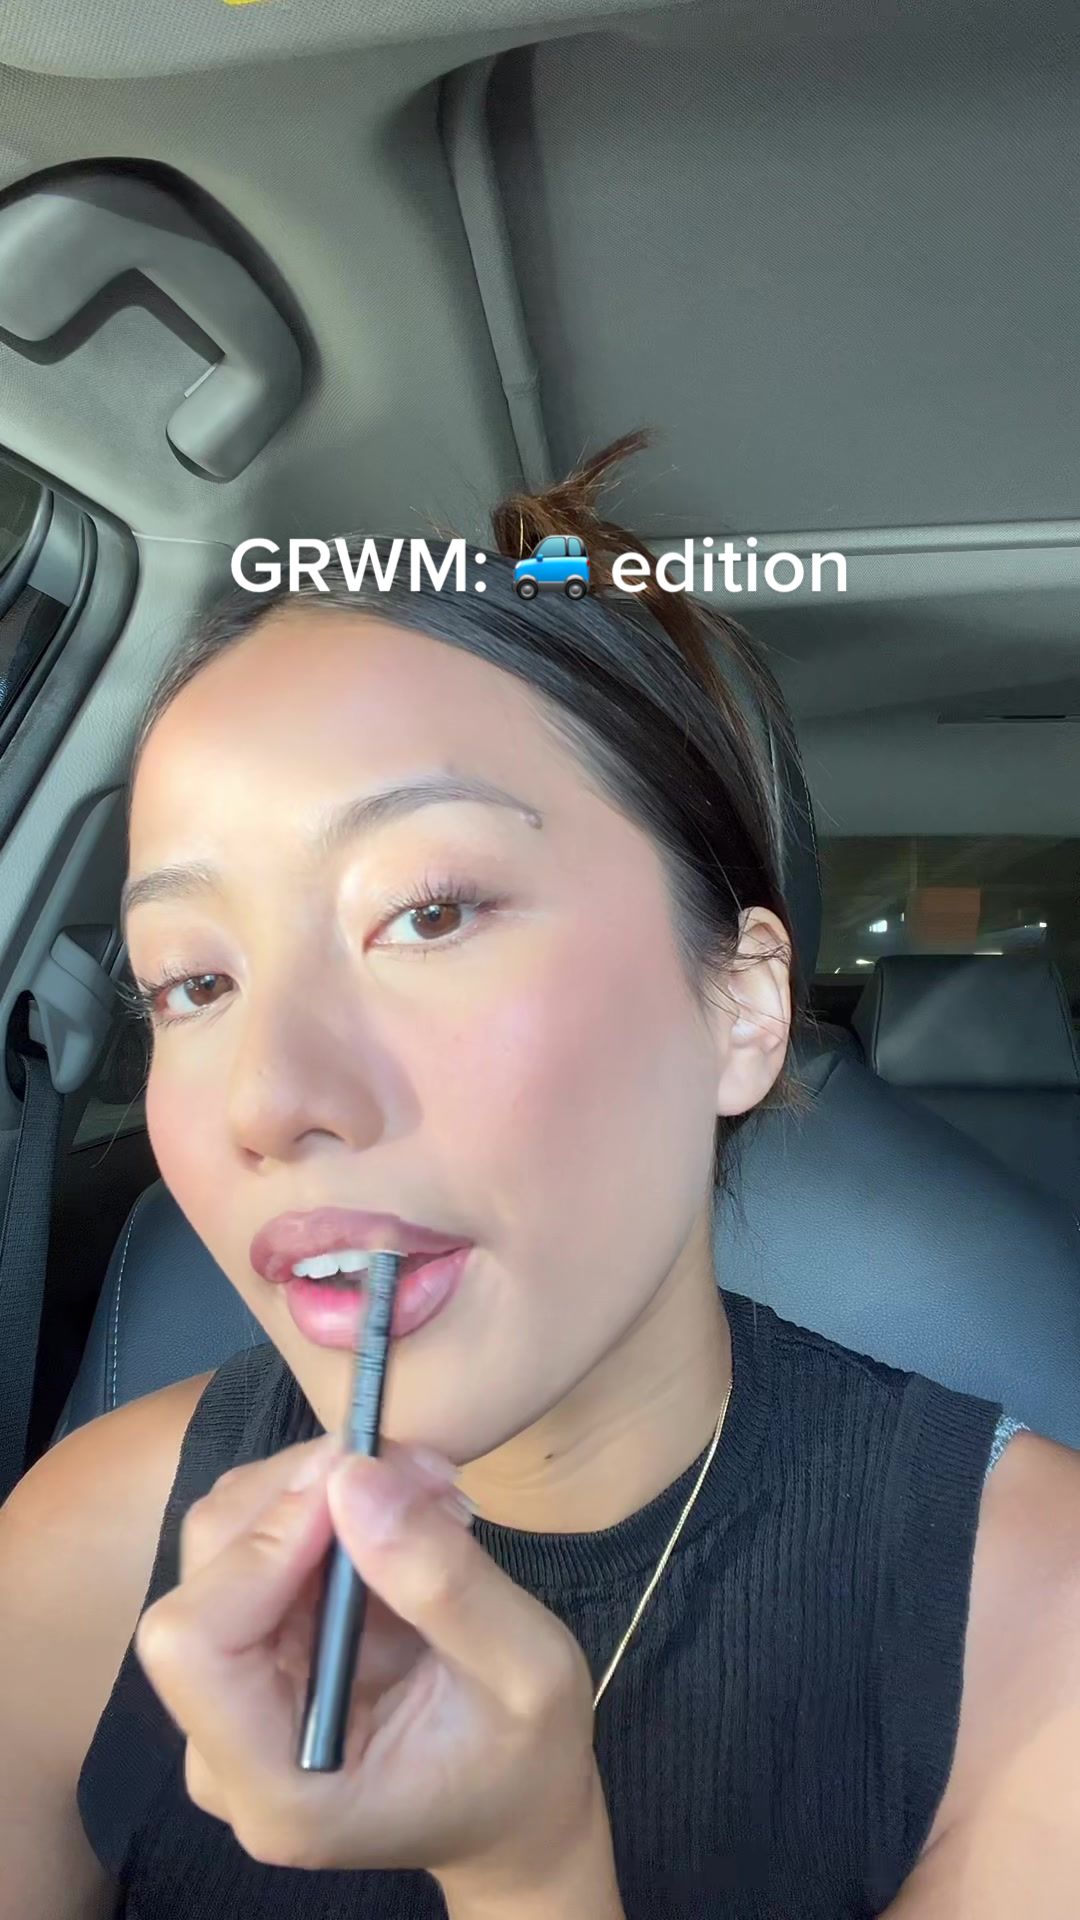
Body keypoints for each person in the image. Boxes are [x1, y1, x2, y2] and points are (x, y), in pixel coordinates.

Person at [2, 432, 1078, 1920]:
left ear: (740, 1008)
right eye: (192, 982)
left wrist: (526, 1867)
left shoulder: (1038, 1628)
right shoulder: (89, 1538)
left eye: (431, 913)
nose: (270, 1100)